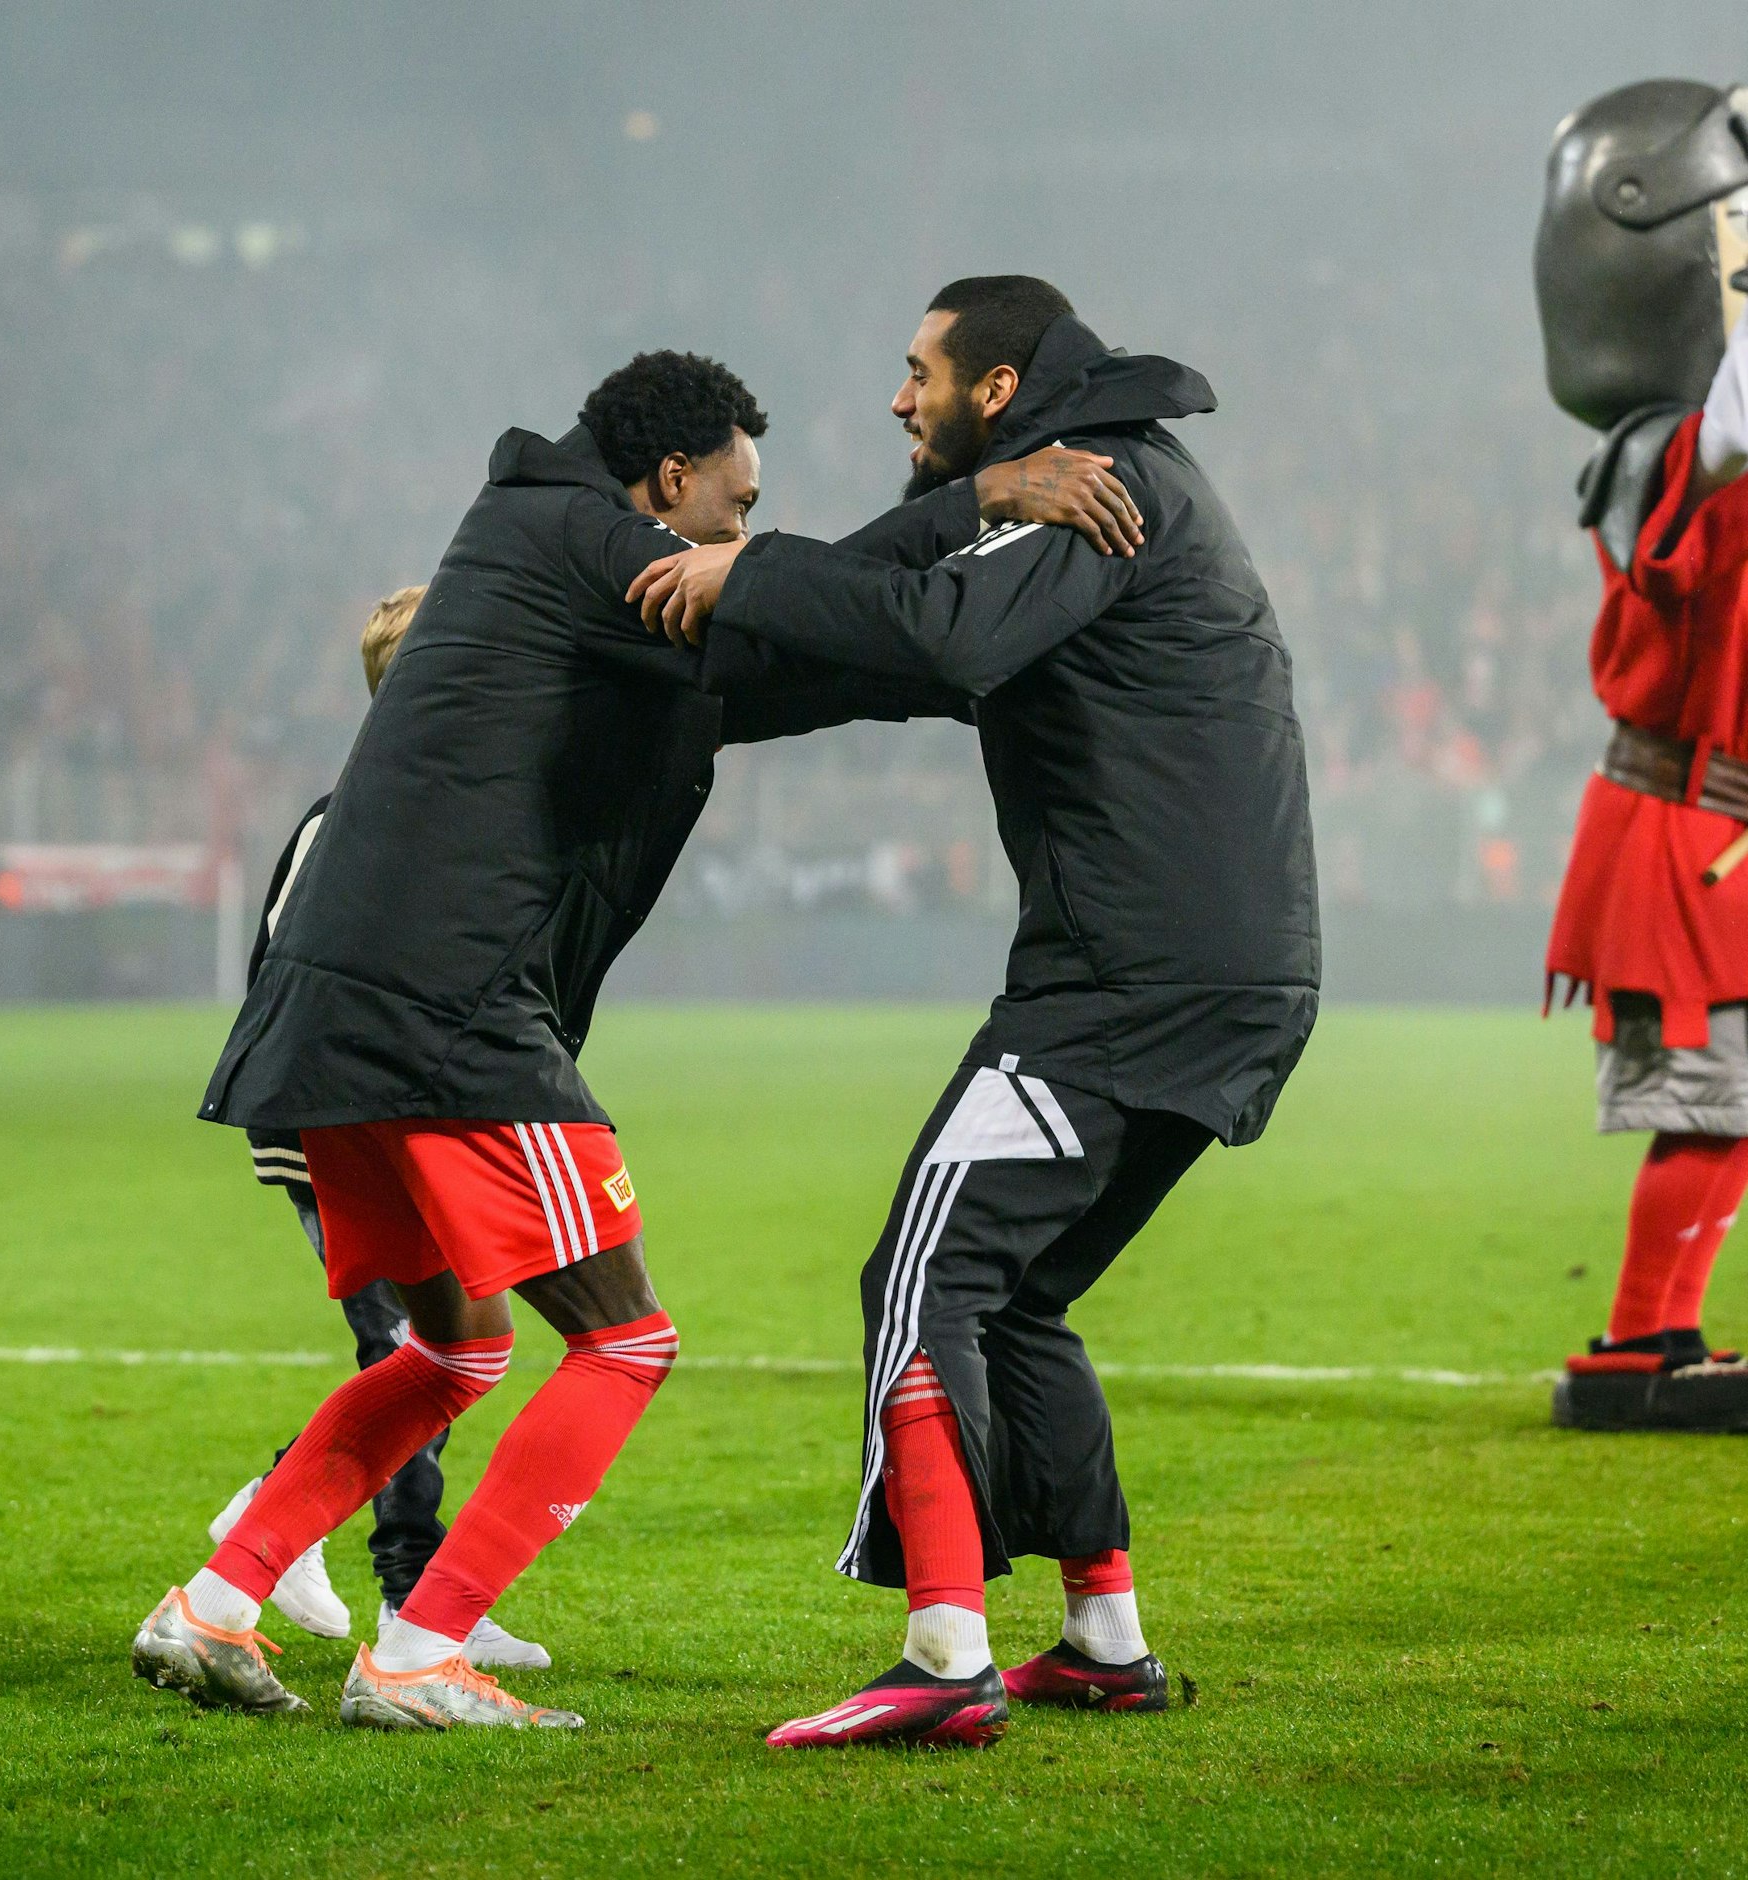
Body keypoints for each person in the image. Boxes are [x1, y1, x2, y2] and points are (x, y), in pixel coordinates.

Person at [132, 346, 1147, 1729]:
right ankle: (423, 1649)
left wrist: (959, 637)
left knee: (453, 1348)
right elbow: (784, 613)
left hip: (341, 1013)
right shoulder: (576, 540)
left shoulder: (546, 556)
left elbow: (794, 662)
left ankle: (215, 1600)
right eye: (734, 505)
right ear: (669, 481)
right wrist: (976, 501)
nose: (739, 533)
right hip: (450, 1010)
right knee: (624, 1340)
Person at [632, 276, 1320, 1749]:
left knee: (918, 1278)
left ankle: (944, 1651)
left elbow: (939, 638)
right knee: (1019, 1297)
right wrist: (708, 680)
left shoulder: (1103, 490)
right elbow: (892, 655)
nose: (898, 398)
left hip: (1124, 985)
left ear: (996, 387)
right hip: (1215, 980)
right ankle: (1104, 1634)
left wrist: (746, 569)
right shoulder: (1064, 496)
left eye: (919, 372)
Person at [209, 583, 548, 1671]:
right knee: (419, 1348)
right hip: (334, 1131)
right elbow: (305, 988)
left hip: (388, 1125)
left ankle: (285, 1509)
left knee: (435, 1348)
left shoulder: (409, 809)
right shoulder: (349, 818)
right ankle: (411, 1598)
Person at [1536, 80, 1748, 1432]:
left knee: (1728, 1103)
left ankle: (1654, 1335)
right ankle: (1638, 1343)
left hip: (1703, 829)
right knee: (1715, 1102)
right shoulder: (1659, 446)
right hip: (1681, 834)